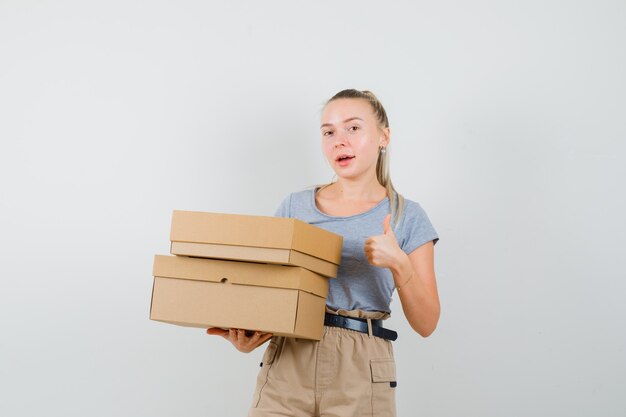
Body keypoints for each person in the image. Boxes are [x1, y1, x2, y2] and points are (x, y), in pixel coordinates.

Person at [207, 89, 440, 417]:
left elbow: (427, 323)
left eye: (353, 128)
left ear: (384, 136)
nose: (338, 140)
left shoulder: (407, 216)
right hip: (289, 361)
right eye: (328, 131)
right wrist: (250, 334)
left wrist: (400, 266)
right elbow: (267, 291)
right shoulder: (295, 206)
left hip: (361, 368)